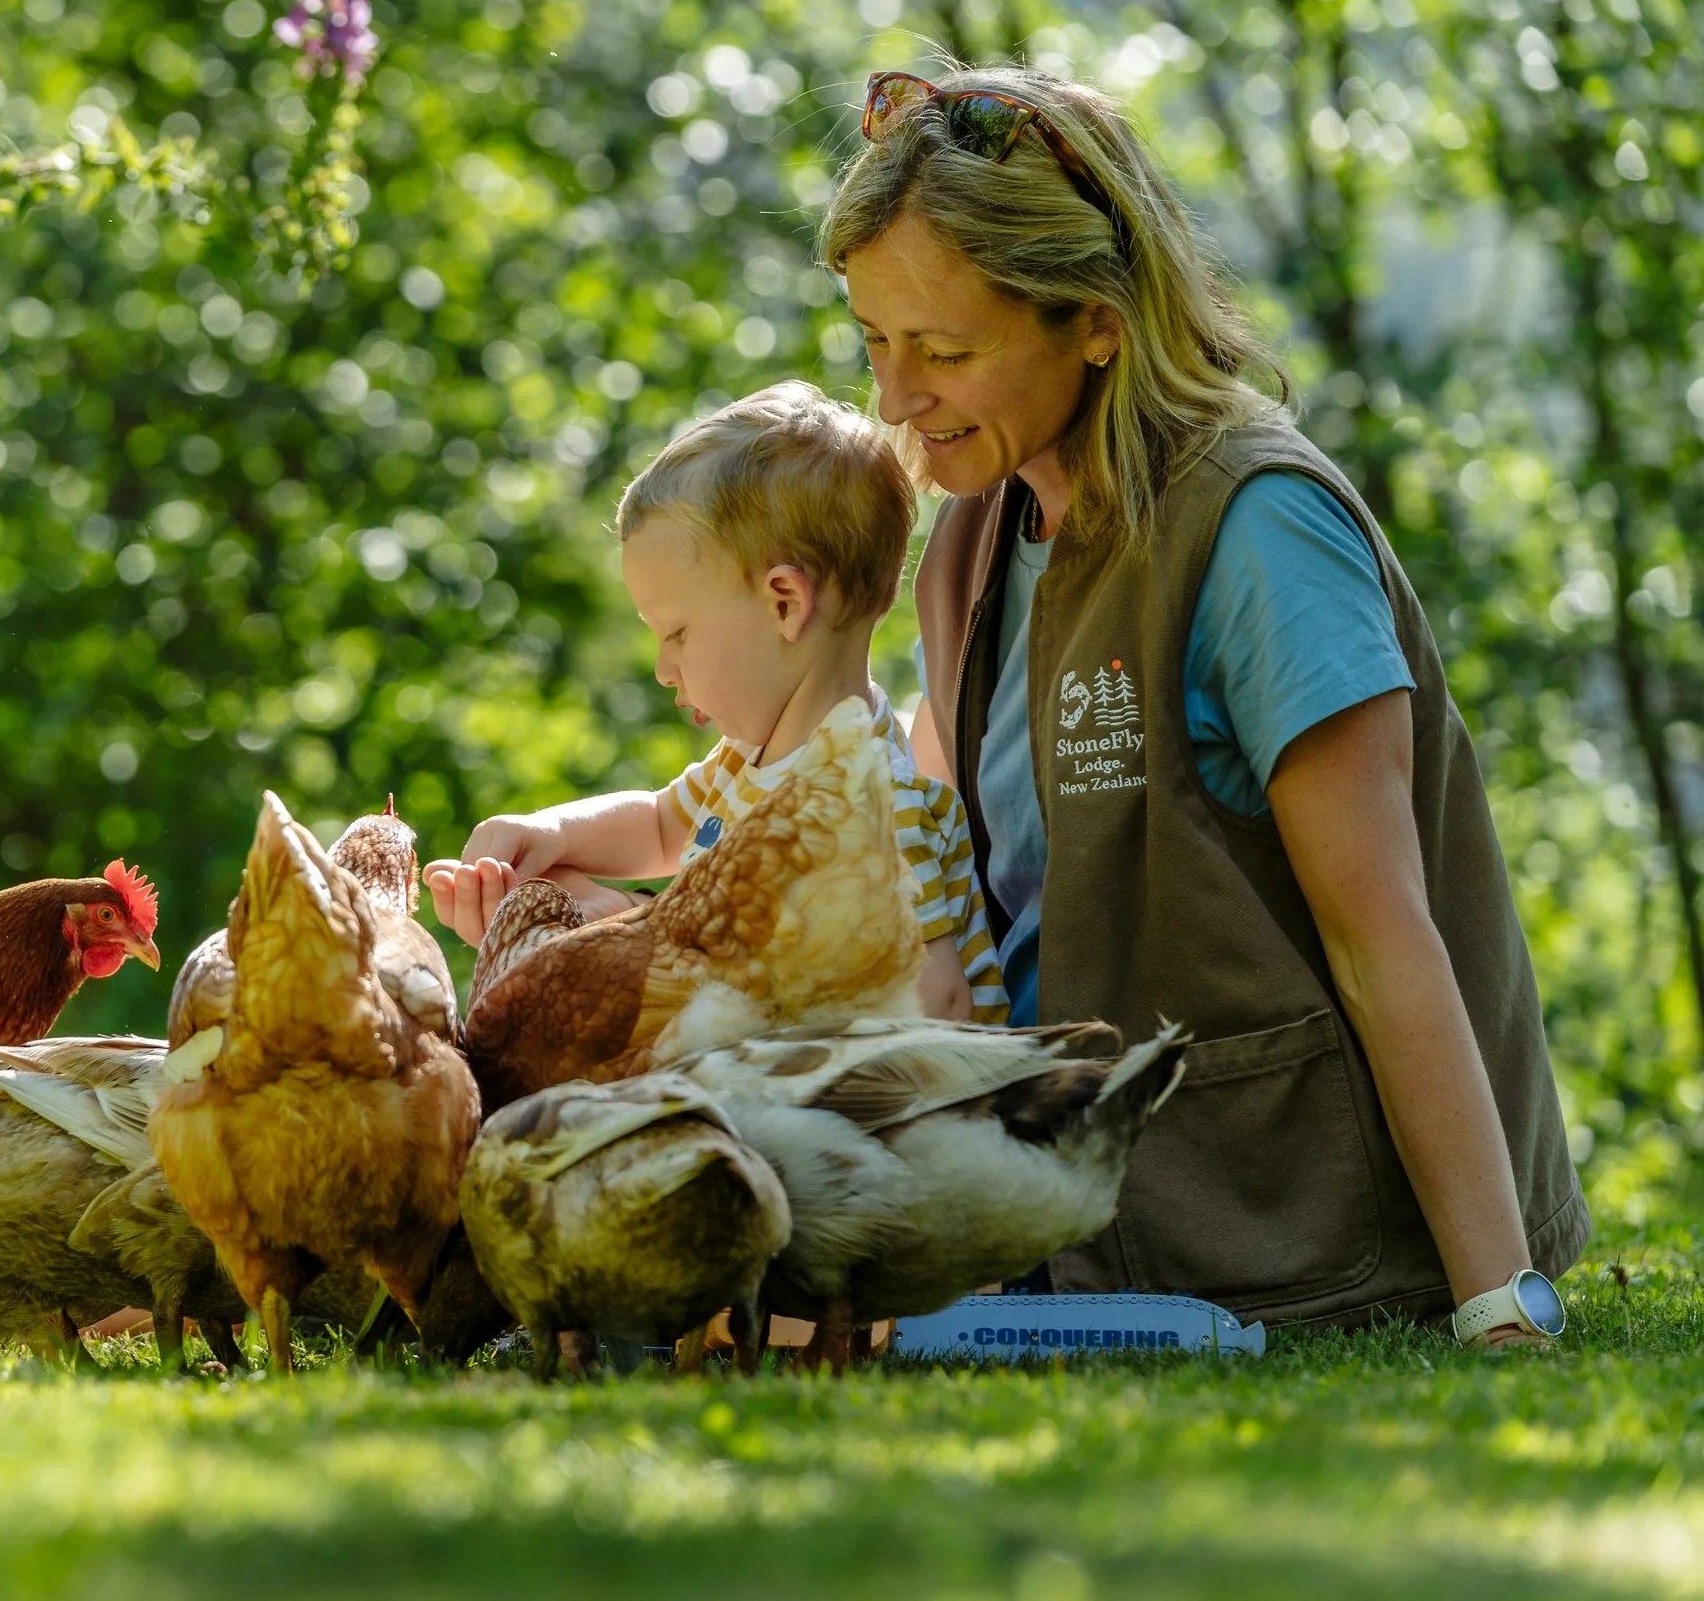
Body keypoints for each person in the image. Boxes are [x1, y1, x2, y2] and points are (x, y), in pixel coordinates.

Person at [821, 65, 1584, 1341]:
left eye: (944, 351)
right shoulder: (969, 535)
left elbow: (1383, 933)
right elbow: (932, 848)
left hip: (1289, 1234)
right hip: (1071, 1232)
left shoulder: (1257, 528)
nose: (895, 400)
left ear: (1099, 322)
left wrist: (1497, 1297)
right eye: (873, 343)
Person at [424, 379, 1010, 1026]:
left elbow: (940, 1004)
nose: (662, 668)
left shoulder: (869, 806)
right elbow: (657, 826)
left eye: (677, 633)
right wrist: (547, 835)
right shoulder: (745, 766)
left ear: (784, 603)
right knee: (563, 887)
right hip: (747, 1062)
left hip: (860, 1107)